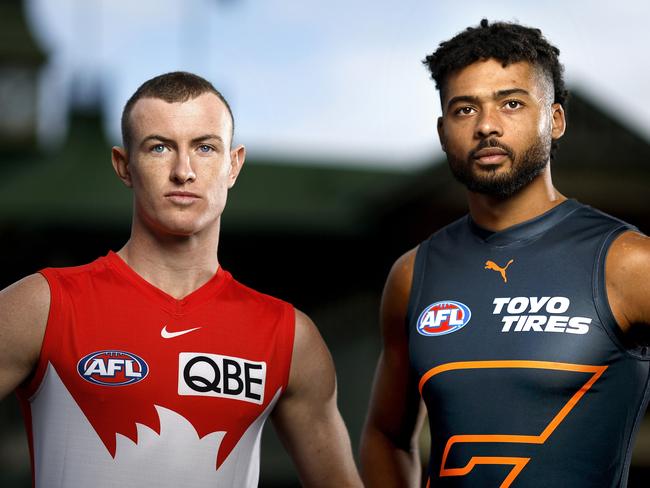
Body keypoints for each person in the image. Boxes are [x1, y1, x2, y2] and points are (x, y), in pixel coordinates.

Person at [0, 72, 362, 487]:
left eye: (205, 148)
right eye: (159, 147)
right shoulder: (44, 305)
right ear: (124, 166)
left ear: (233, 164)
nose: (183, 171)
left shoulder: (288, 335)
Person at [360, 19, 650, 488]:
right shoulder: (414, 274)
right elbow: (386, 436)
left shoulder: (628, 263)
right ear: (442, 131)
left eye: (511, 103)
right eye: (464, 109)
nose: (486, 126)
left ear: (554, 120)